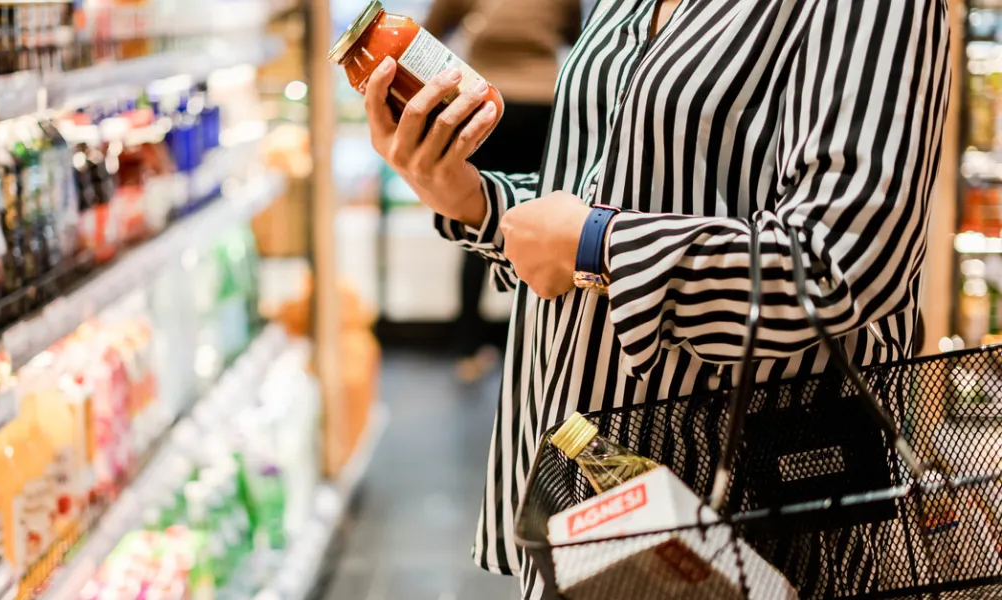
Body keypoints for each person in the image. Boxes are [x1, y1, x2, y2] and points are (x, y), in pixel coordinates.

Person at [361, 0, 950, 596]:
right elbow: (611, 189)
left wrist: (596, 244)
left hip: (742, 511)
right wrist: (470, 199)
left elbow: (841, 263)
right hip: (584, 482)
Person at [422, 0, 581, 382]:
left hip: (484, 104)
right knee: (538, 223)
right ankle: (535, 348)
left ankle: (468, 349)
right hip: (542, 106)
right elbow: (574, 35)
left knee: (478, 217)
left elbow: (429, 35)